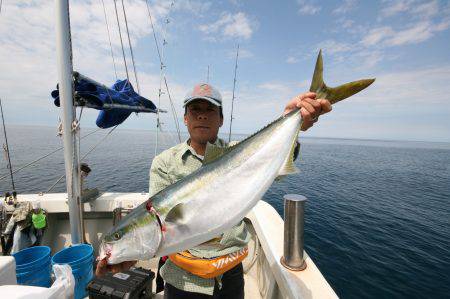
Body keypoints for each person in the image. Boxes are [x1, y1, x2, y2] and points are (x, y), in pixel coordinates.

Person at [96, 83, 332, 298]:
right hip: (182, 280)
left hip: (230, 275)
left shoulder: (239, 151)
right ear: (185, 119)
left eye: (209, 110)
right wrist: (128, 254)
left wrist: (293, 120)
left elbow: (274, 162)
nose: (201, 115)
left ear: (221, 119)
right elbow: (156, 235)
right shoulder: (164, 162)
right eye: (194, 109)